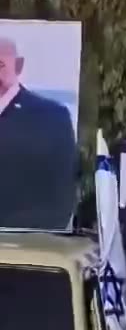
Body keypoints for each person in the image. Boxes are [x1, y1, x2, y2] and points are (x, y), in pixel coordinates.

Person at [0, 36, 77, 229]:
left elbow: (61, 197)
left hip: (25, 241)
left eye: (0, 65)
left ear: (18, 66)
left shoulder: (52, 117)